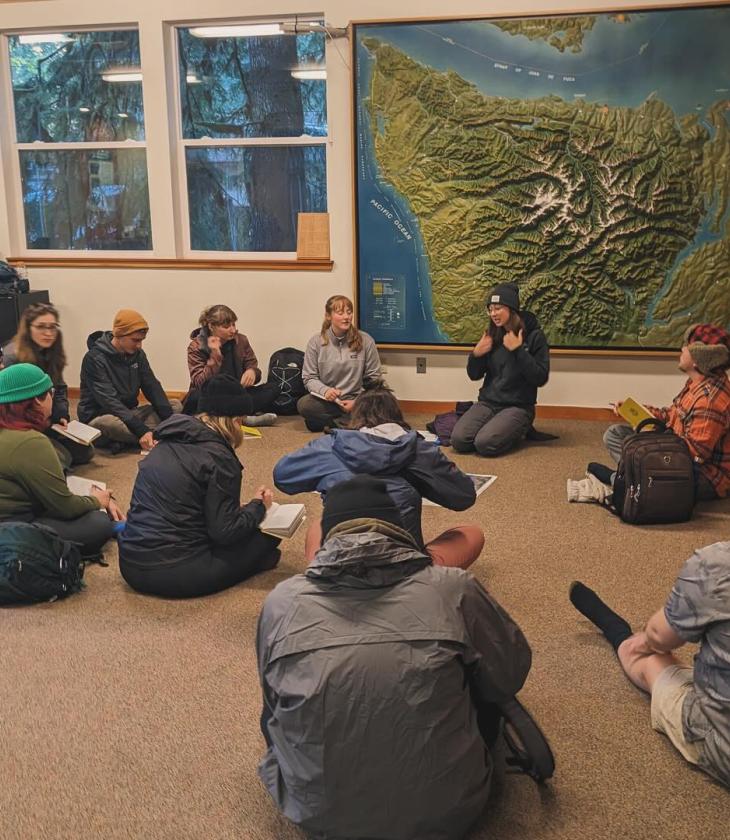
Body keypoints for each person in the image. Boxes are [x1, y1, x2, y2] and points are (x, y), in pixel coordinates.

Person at [257, 475, 532, 840]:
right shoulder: (452, 587)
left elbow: (272, 705)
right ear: (396, 530)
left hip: (318, 817)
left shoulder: (281, 602)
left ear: (328, 538)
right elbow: (509, 675)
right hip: (450, 814)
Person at [569, 541, 730, 788]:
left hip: (721, 739)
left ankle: (619, 636)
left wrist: (640, 643)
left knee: (651, 659)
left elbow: (658, 637)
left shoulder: (718, 564)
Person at [274, 383, 483, 568]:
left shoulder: (329, 445)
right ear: (396, 417)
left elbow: (282, 476)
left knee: (319, 525)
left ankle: (323, 574)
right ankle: (418, 578)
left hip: (338, 566)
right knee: (470, 534)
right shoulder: (420, 450)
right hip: (403, 572)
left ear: (356, 417)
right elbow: (464, 496)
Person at [118, 374, 280, 598]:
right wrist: (258, 507)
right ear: (234, 421)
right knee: (269, 538)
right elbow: (224, 532)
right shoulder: (220, 458)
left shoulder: (165, 442)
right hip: (177, 572)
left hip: (130, 564)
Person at [568, 323, 730, 503]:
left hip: (701, 477)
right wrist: (636, 411)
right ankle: (633, 478)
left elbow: (692, 456)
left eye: (688, 346)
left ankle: (620, 481)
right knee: (615, 434)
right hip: (677, 451)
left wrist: (652, 446)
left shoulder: (709, 402)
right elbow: (670, 415)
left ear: (699, 358)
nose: (682, 348)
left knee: (637, 448)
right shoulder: (696, 383)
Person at [0, 363, 121, 558]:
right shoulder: (31, 442)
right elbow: (65, 508)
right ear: (37, 401)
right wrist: (97, 500)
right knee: (98, 522)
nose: (53, 397)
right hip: (12, 529)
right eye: (51, 392)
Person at [451, 282, 550, 456]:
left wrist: (518, 351)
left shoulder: (534, 336)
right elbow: (474, 375)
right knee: (459, 440)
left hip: (518, 406)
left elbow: (540, 377)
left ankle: (520, 429)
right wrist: (476, 355)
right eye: (490, 309)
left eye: (498, 308)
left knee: (485, 443)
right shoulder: (492, 335)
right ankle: (498, 426)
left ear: (511, 308)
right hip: (488, 402)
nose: (493, 314)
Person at [1, 302, 92, 470]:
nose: (48, 333)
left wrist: (61, 414)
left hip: (44, 419)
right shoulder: (11, 357)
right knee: (58, 460)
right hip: (20, 426)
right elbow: (8, 406)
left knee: (84, 451)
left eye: (52, 327)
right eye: (41, 327)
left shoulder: (52, 352)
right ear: (28, 329)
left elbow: (60, 388)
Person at [78, 309, 182, 452]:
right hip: (100, 417)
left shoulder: (138, 355)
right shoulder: (94, 359)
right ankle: (157, 436)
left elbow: (151, 386)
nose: (139, 345)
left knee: (174, 405)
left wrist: (172, 422)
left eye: (141, 341)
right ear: (119, 335)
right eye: (135, 340)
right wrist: (141, 430)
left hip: (129, 414)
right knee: (110, 424)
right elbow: (110, 402)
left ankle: (142, 437)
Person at [184, 304, 278, 426]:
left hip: (237, 393)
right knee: (195, 398)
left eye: (234, 324)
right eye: (226, 326)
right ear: (211, 326)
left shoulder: (242, 340)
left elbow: (253, 366)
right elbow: (199, 382)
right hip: (211, 395)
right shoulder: (196, 346)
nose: (233, 330)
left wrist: (252, 372)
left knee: (274, 388)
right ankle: (242, 418)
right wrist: (214, 359)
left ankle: (228, 417)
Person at [297, 294, 381, 431]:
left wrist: (357, 402)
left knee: (384, 402)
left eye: (349, 312)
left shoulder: (366, 341)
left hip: (358, 399)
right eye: (340, 313)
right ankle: (350, 422)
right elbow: (309, 377)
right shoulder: (316, 342)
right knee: (304, 405)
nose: (346, 317)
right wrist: (326, 391)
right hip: (331, 401)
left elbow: (375, 379)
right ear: (328, 316)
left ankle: (332, 423)